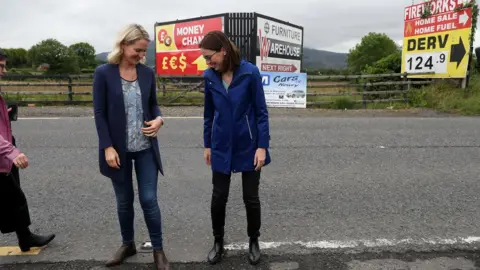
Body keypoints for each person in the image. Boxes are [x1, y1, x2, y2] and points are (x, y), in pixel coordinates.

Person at [92, 24, 170, 270]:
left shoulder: (147, 73)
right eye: (137, 50)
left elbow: (154, 105)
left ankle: (158, 250)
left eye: (143, 51)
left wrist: (159, 119)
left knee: (149, 200)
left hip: (146, 147)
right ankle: (128, 244)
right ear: (124, 45)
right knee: (124, 201)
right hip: (118, 150)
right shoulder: (103, 73)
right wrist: (107, 147)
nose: (141, 56)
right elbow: (100, 113)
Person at [199, 31, 271, 265]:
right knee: (218, 197)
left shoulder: (250, 73)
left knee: (251, 197)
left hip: (248, 144)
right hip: (220, 144)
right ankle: (218, 241)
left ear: (224, 51)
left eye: (210, 57)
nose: (208, 63)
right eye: (205, 59)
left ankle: (253, 240)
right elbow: (209, 114)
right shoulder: (210, 76)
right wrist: (207, 144)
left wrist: (262, 146)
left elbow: (261, 113)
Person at [0, 48, 55, 252]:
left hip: (4, 152)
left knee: (14, 199)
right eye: (0, 66)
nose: (4, 71)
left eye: (4, 66)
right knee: (14, 199)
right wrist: (13, 152)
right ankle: (26, 238)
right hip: (4, 152)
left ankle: (25, 238)